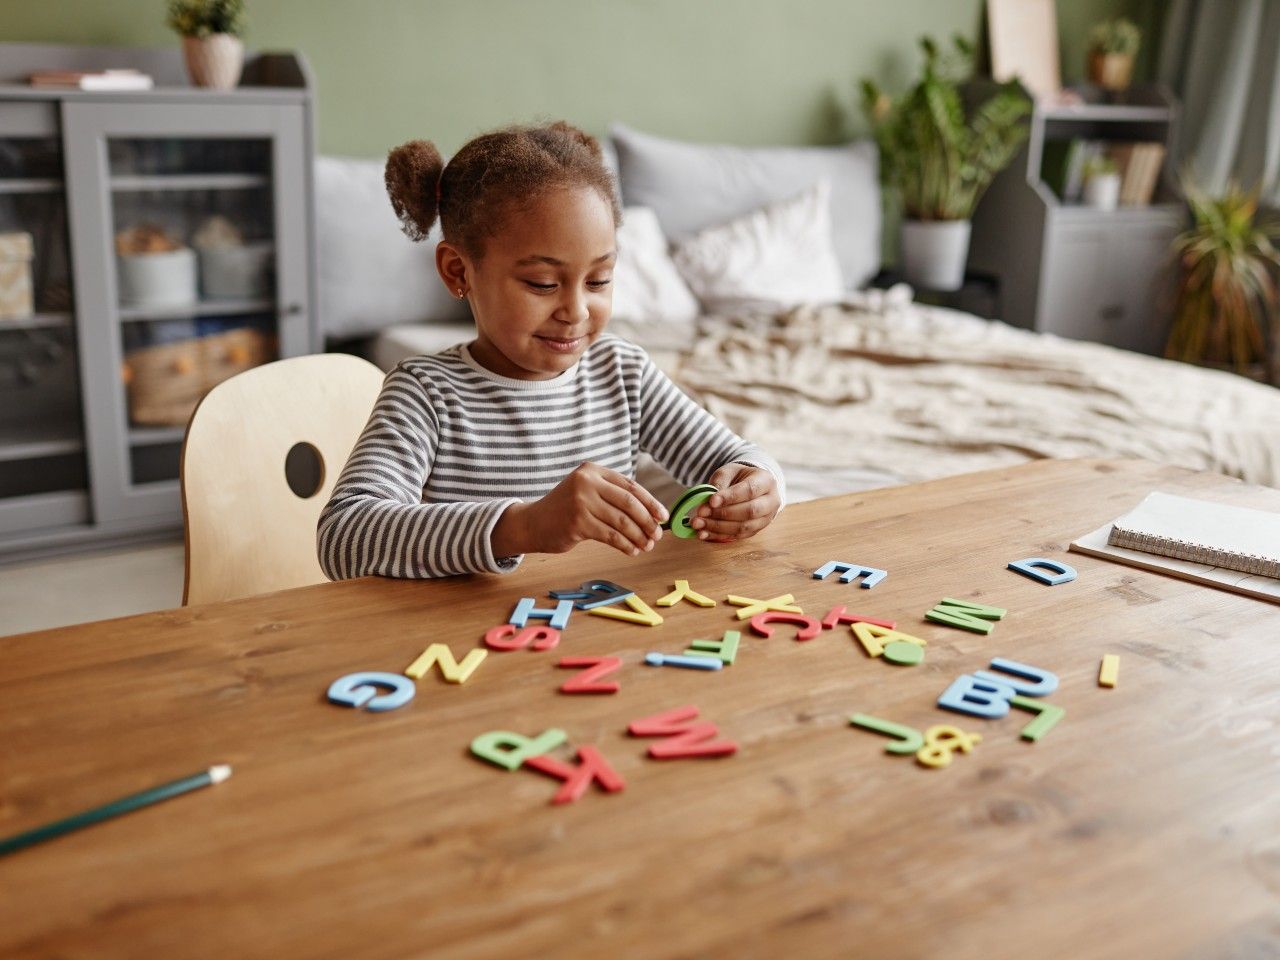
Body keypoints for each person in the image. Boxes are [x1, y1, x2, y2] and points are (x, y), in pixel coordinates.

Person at [317, 121, 784, 580]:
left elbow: (737, 459)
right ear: (459, 272)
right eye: (542, 283)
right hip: (468, 645)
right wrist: (523, 527)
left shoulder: (622, 372)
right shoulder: (426, 393)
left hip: (597, 634)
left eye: (599, 279)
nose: (576, 311)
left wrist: (756, 485)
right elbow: (343, 537)